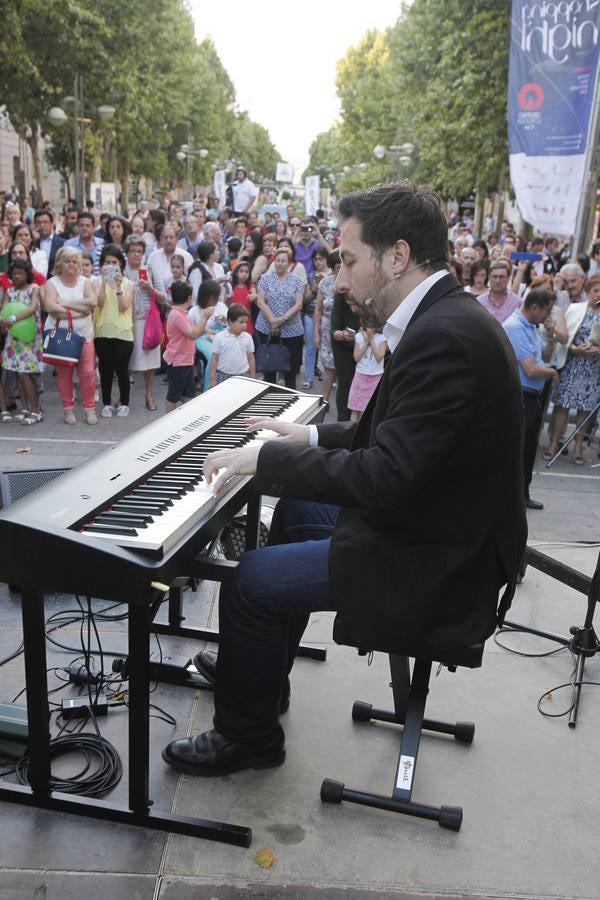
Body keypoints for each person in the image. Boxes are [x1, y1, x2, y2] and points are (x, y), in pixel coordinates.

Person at [162, 180, 526, 776]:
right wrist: (300, 435)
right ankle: (260, 681)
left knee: (250, 581)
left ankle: (247, 736)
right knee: (301, 515)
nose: (338, 279)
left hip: (440, 561)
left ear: (398, 256)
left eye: (350, 261)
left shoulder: (446, 339)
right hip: (436, 525)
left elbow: (385, 474)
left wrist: (267, 463)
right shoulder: (445, 319)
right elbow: (392, 439)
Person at [503, 289, 559, 510]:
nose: (547, 316)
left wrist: (552, 336)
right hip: (521, 394)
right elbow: (531, 369)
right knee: (519, 448)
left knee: (528, 449)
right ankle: (513, 496)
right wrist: (552, 373)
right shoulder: (515, 326)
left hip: (533, 396)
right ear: (535, 307)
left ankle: (523, 493)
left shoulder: (532, 327)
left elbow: (543, 357)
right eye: (545, 311)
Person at [546, 276, 600, 465]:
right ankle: (554, 443)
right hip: (572, 363)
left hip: (594, 368)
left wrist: (597, 350)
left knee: (584, 410)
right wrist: (574, 348)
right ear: (588, 291)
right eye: (596, 291)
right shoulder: (576, 309)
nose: (599, 295)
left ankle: (578, 447)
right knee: (562, 406)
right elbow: (565, 335)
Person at [43, 246, 98, 425]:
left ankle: (90, 409)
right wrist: (78, 312)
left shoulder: (85, 282)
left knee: (88, 373)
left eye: (75, 261)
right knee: (64, 374)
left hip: (84, 335)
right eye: (68, 261)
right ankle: (68, 410)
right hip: (61, 336)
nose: (72, 265)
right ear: (60, 263)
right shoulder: (52, 283)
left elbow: (92, 302)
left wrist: (65, 304)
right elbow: (51, 308)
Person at [0, 259, 44, 424]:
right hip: (13, 338)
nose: (17, 276)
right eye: (14, 273)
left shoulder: (34, 289)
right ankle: (24, 408)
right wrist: (3, 321)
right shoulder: (9, 291)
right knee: (17, 374)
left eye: (21, 273)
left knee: (25, 374)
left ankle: (36, 410)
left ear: (27, 274)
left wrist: (12, 318)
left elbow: (32, 308)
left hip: (28, 339)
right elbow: (4, 308)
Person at [255, 246, 304, 390]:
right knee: (270, 367)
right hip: (267, 327)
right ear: (273, 261)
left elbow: (299, 304)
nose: (280, 263)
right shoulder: (265, 278)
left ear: (289, 263)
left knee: (291, 369)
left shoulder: (296, 280)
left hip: (292, 329)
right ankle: (270, 397)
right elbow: (260, 301)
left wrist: (282, 319)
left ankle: (290, 397)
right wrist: (272, 319)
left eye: (284, 260)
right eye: (278, 260)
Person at [93, 245, 134, 418]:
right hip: (102, 332)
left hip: (123, 333)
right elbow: (100, 303)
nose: (111, 265)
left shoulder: (129, 283)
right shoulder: (95, 282)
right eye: (107, 262)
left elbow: (124, 306)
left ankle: (125, 403)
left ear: (121, 264)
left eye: (114, 262)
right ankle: (107, 403)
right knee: (106, 370)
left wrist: (117, 286)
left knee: (122, 370)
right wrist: (104, 281)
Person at [163, 280, 212, 412]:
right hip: (178, 362)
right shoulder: (178, 315)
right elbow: (193, 334)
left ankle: (185, 420)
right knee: (173, 395)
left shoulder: (181, 313)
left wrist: (205, 328)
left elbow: (193, 330)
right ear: (189, 298)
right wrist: (204, 317)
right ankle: (168, 424)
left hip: (186, 360)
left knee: (189, 394)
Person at [313, 249, 341, 405]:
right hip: (326, 330)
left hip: (345, 330)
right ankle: (325, 401)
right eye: (338, 265)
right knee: (329, 369)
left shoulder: (351, 281)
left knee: (345, 369)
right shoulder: (325, 282)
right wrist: (316, 333)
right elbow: (318, 310)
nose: (341, 268)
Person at [302, 247, 331, 388]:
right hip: (310, 315)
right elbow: (304, 300)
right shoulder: (310, 275)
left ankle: (331, 378)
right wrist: (313, 289)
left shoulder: (333, 275)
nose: (318, 262)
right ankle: (308, 377)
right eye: (316, 259)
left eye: (321, 258)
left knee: (329, 348)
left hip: (328, 316)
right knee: (310, 347)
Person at [348, 323, 388, 422]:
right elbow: (356, 357)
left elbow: (379, 357)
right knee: (355, 408)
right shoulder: (359, 337)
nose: (370, 329)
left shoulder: (382, 338)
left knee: (366, 410)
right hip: (360, 375)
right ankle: (351, 433)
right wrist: (366, 342)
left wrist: (371, 340)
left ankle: (362, 435)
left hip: (375, 376)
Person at [209, 304, 256, 387]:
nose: (244, 325)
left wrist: (253, 377)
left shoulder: (248, 337)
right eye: (241, 322)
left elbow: (251, 358)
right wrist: (213, 379)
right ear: (230, 321)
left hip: (243, 376)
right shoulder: (220, 337)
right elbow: (214, 358)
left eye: (246, 322)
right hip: (223, 376)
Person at [34, 208, 64, 276]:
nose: (41, 225)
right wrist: (33, 240)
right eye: (38, 223)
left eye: (45, 222)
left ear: (52, 223)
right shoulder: (32, 242)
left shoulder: (62, 243)